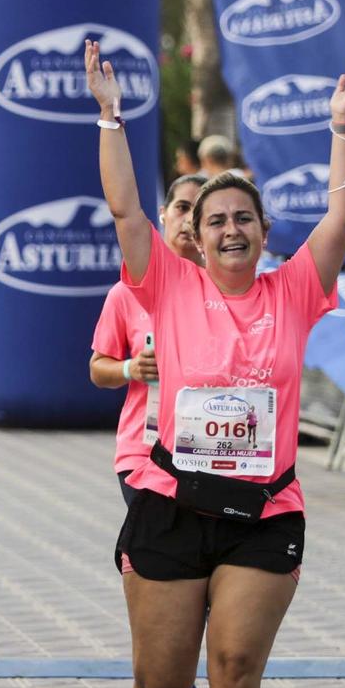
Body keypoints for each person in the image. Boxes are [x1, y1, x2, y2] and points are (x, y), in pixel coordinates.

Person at [94, 39, 345, 688]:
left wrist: (343, 125)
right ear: (199, 237)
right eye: (215, 220)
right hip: (172, 502)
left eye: (243, 217)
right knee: (161, 677)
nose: (230, 229)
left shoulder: (295, 290)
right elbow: (125, 210)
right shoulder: (166, 287)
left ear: (263, 230)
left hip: (264, 511)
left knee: (238, 665)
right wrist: (111, 116)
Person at [90, 172, 206, 506]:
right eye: (182, 207)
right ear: (163, 213)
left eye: (199, 211)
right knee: (157, 554)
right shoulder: (126, 294)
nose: (188, 219)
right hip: (144, 453)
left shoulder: (228, 291)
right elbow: (98, 370)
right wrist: (131, 368)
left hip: (210, 451)